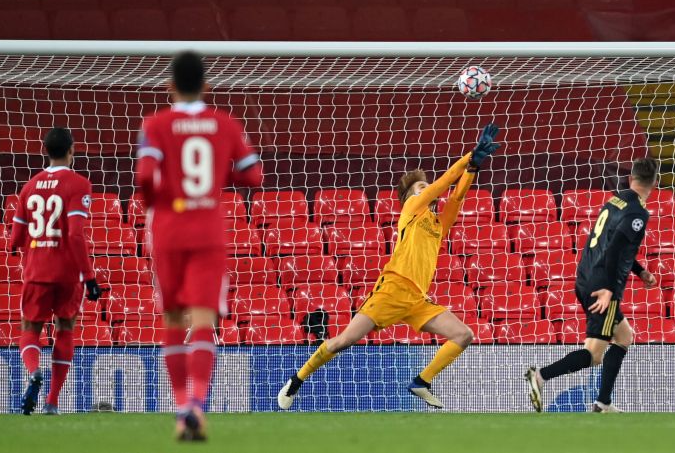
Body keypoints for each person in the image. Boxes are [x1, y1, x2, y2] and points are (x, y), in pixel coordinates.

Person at [277, 124, 501, 410]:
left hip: (418, 300)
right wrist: (468, 157)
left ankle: (421, 382)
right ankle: (297, 380)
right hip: (392, 291)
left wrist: (474, 168)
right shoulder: (410, 211)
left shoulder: (437, 224)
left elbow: (456, 197)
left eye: (424, 186)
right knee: (343, 341)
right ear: (410, 197)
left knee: (464, 335)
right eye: (420, 188)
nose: (425, 190)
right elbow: (444, 183)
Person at [136, 51, 263, 441]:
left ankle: (179, 410)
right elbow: (253, 175)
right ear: (206, 86)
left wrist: (166, 198)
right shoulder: (224, 124)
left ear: (170, 87)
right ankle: (197, 404)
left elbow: (144, 178)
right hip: (208, 231)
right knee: (205, 320)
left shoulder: (155, 124)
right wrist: (217, 172)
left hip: (169, 231)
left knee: (173, 321)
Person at [524, 158, 659, 413]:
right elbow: (615, 249)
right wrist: (609, 289)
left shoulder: (616, 200)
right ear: (656, 183)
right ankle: (539, 376)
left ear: (631, 178)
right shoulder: (638, 213)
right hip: (602, 286)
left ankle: (603, 403)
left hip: (587, 276)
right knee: (595, 355)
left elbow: (612, 244)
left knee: (624, 337)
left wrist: (640, 271)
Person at [10, 127, 102, 415]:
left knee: (30, 330)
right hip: (68, 274)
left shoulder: (29, 186)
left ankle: (34, 372)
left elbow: (14, 240)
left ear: (45, 151)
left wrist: (30, 246)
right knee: (65, 329)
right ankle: (51, 402)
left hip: (37, 270)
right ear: (71, 151)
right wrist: (89, 277)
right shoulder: (79, 184)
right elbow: (75, 235)